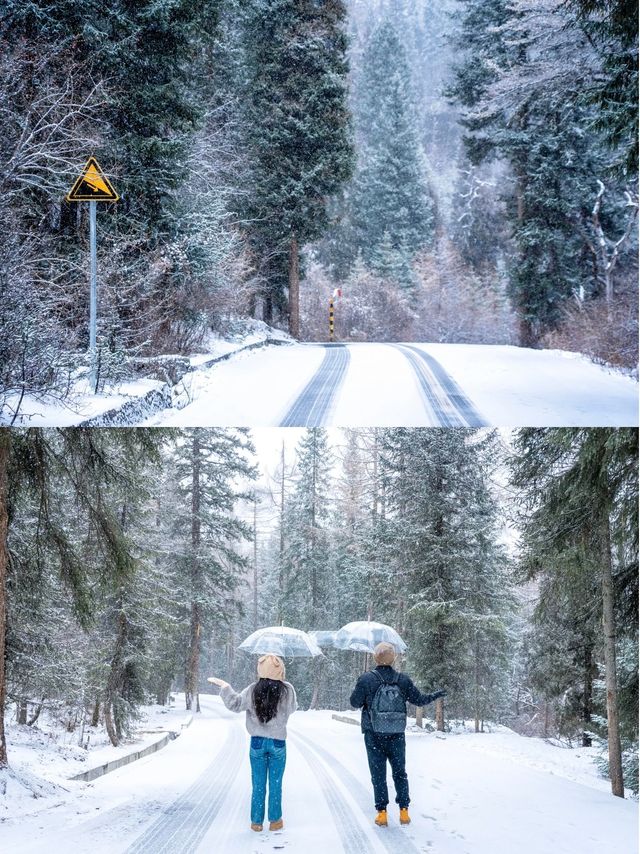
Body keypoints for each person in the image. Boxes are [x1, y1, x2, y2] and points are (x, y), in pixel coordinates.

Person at [349, 641, 446, 828]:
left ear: (375, 657)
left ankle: (382, 814)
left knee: (378, 774)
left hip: (373, 734)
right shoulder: (403, 680)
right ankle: (404, 811)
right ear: (393, 659)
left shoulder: (367, 679)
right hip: (396, 735)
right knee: (400, 773)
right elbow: (419, 700)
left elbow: (354, 702)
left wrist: (361, 690)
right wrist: (435, 695)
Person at [208, 654, 297, 833]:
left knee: (258, 783)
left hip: (257, 742)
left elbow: (235, 704)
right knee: (276, 783)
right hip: (278, 743)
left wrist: (226, 687)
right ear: (280, 671)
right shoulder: (288, 689)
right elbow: (292, 709)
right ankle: (275, 821)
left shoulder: (252, 689)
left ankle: (256, 822)